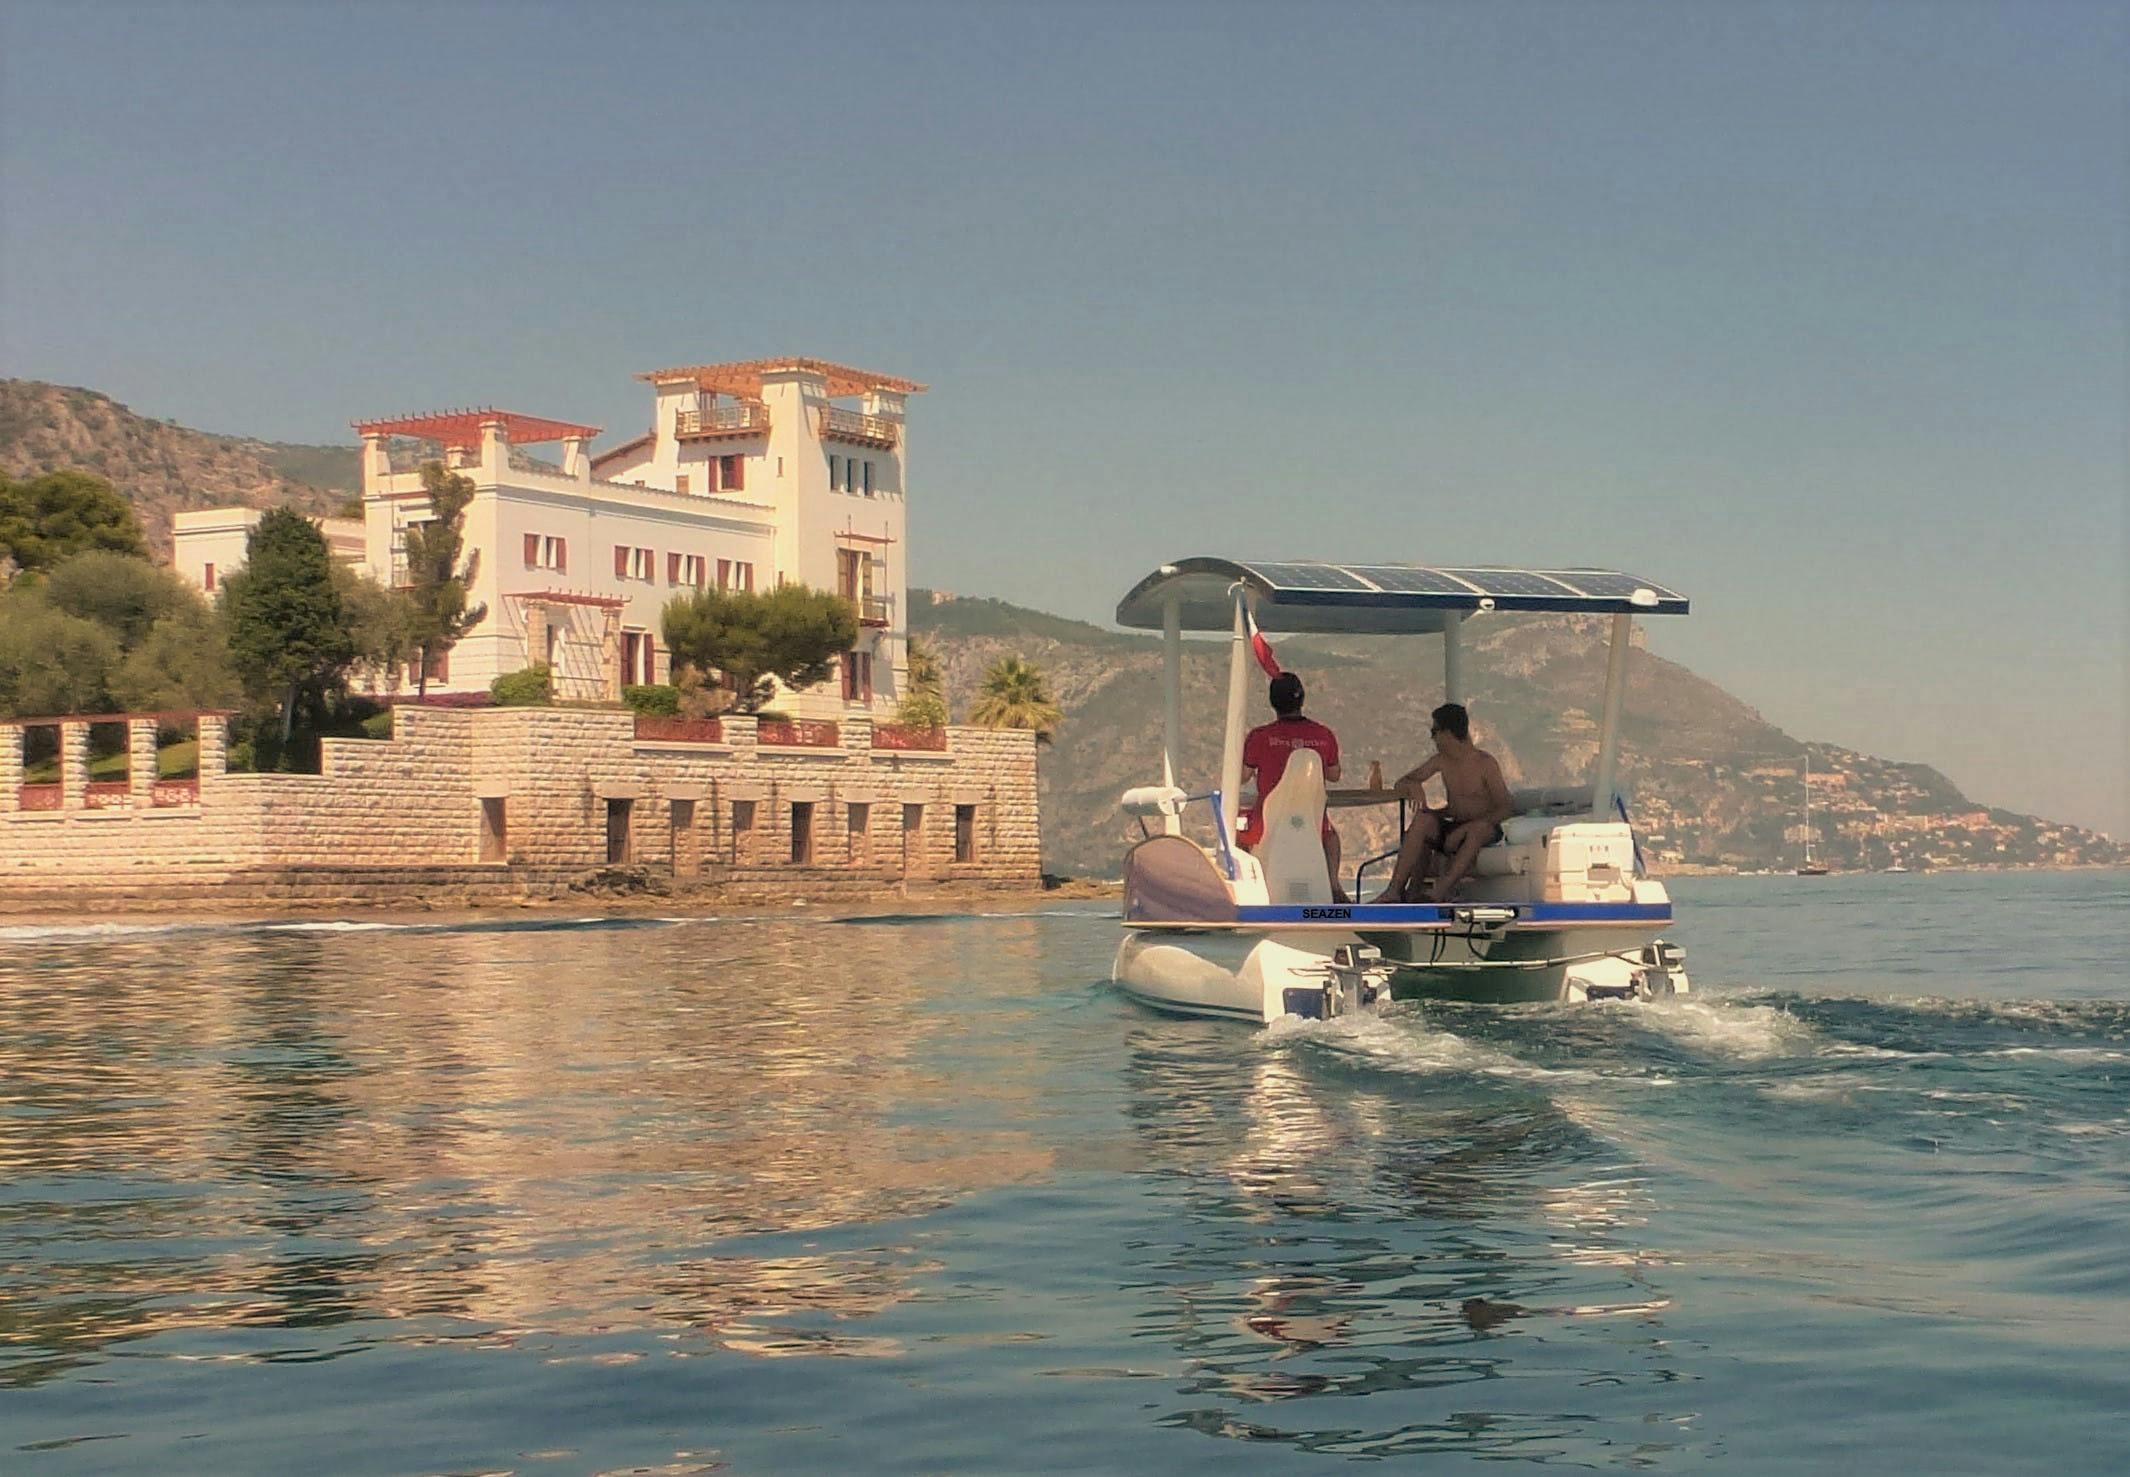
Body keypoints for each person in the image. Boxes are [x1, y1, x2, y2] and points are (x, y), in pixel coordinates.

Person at [1376, 702, 1511, 903]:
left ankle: (1439, 892)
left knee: (1477, 831)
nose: (1433, 738)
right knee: (1422, 821)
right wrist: (1414, 786)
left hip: (1482, 827)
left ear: (1448, 733)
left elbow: (1506, 806)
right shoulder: (1441, 760)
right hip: (1453, 824)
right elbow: (1401, 782)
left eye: (1434, 731)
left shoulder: (1485, 763)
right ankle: (1394, 890)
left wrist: (1472, 825)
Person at [1238, 672, 1346, 901]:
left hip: (1268, 821)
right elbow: (1335, 775)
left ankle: (1245, 890)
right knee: (1331, 836)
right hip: (1312, 820)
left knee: (1236, 832)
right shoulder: (1323, 735)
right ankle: (1334, 888)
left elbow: (1242, 776)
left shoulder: (1260, 737)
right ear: (1302, 700)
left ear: (1273, 702)